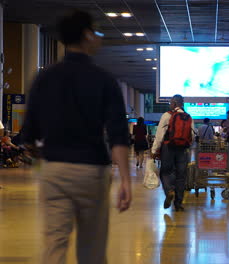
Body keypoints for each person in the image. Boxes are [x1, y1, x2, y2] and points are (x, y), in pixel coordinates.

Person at [21, 10, 131, 264]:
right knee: (92, 247)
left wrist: (46, 158)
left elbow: (29, 135)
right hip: (91, 171)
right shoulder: (103, 80)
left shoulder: (44, 78)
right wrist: (125, 179)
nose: (99, 38)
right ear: (87, 36)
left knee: (54, 244)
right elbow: (117, 134)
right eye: (97, 33)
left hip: (54, 170)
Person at [151, 94, 194, 211]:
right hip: (183, 149)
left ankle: (169, 190)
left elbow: (159, 135)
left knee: (165, 172)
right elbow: (193, 136)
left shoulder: (167, 115)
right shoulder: (188, 117)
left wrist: (154, 150)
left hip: (168, 147)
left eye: (171, 102)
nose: (170, 104)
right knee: (181, 176)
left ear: (174, 103)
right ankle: (178, 204)